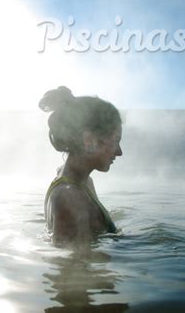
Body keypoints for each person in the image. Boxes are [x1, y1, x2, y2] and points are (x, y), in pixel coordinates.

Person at [39, 86, 123, 246]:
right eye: (116, 140)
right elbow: (71, 268)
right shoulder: (69, 199)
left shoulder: (81, 183)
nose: (119, 152)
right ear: (89, 140)